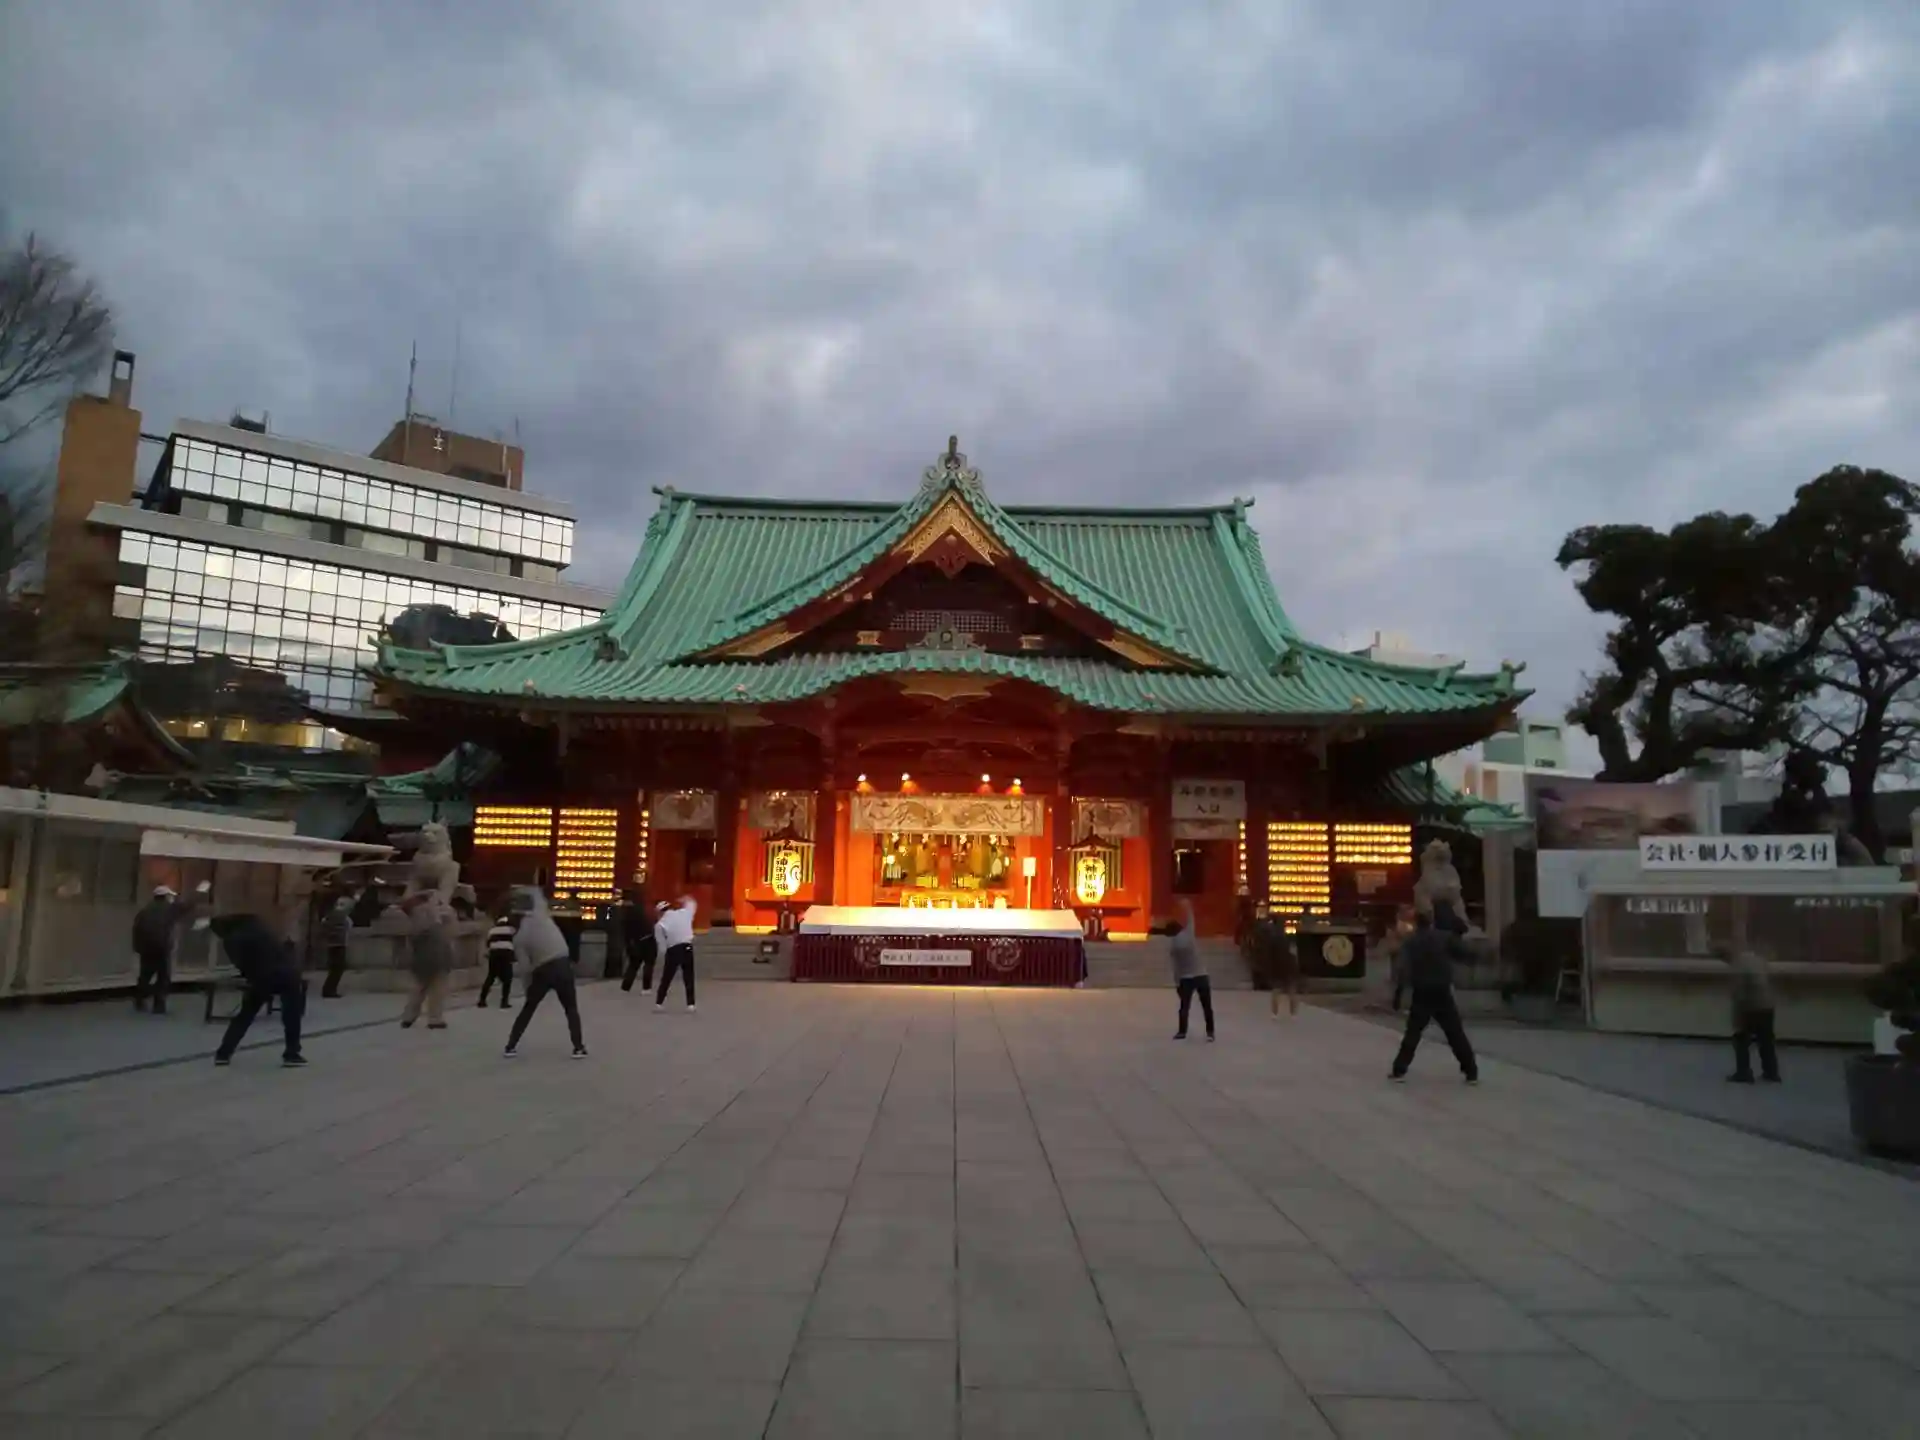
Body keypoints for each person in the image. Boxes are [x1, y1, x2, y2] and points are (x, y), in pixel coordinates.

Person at [1390, 911, 1478, 1084]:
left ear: (1416, 924)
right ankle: (1471, 1070)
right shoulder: (1444, 938)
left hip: (1422, 991)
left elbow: (1403, 969)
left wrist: (1398, 994)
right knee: (1455, 1032)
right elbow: (1464, 953)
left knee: (1413, 1032)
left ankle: (1399, 1069)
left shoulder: (1411, 942)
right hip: (1442, 990)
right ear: (1431, 923)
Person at [211, 913, 306, 1067]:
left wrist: (250, 977)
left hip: (261, 978)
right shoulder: (259, 927)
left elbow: (241, 964)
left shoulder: (231, 940)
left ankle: (224, 1053)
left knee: (245, 1015)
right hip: (287, 974)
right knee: (291, 1016)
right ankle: (292, 1053)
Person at [505, 887, 587, 1057]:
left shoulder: (519, 938)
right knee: (571, 1009)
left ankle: (511, 1046)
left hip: (542, 970)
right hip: (563, 963)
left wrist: (528, 989)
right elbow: (537, 894)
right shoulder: (542, 916)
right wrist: (519, 892)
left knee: (528, 1009)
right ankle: (578, 1047)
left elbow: (525, 968)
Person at [130, 881, 210, 1015]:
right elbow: (188, 905)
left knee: (145, 974)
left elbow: (136, 929)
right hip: (162, 947)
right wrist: (201, 891)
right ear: (166, 896)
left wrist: (138, 947)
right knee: (163, 976)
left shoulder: (144, 911)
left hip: (146, 948)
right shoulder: (169, 909)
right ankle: (159, 1004)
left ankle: (139, 1000)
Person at [1719, 942, 1780, 1084]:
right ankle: (1771, 1073)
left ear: (1726, 957)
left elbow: (1739, 994)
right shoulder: (1754, 958)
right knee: (1766, 1041)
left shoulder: (1737, 966)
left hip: (1752, 1006)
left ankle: (1743, 1073)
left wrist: (1737, 1019)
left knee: (1740, 1041)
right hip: (1768, 1005)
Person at [399, 892, 453, 1030]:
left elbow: (411, 945)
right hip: (438, 959)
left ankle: (408, 1017)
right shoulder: (434, 918)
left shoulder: (413, 923)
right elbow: (446, 936)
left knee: (418, 990)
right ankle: (435, 1019)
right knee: (436, 991)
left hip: (421, 960)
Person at [1169, 899, 1214, 1041]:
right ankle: (1210, 1032)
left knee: (1184, 1007)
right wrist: (1187, 907)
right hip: (1200, 974)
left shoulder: (1173, 946)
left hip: (1185, 978)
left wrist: (1177, 984)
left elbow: (1176, 968)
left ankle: (1182, 1031)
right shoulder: (1188, 934)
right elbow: (1191, 920)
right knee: (1206, 1006)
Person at [653, 894, 699, 1011]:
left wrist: (663, 956)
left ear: (659, 912)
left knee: (667, 977)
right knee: (688, 976)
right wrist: (684, 899)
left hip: (673, 950)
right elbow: (692, 903)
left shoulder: (660, 924)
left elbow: (661, 944)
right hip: (687, 947)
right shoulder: (684, 913)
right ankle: (691, 1004)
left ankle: (659, 1003)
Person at [618, 887, 658, 995]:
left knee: (633, 965)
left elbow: (626, 931)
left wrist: (628, 945)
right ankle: (646, 988)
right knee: (648, 964)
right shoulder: (642, 909)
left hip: (634, 942)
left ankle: (625, 987)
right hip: (648, 939)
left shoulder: (624, 912)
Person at [481, 907, 518, 1008]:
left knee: (491, 977)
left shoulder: (492, 930)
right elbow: (516, 942)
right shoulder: (511, 929)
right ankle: (504, 1001)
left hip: (494, 954)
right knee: (507, 979)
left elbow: (488, 944)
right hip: (506, 954)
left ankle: (482, 1000)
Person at [319, 895, 354, 998]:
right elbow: (348, 927)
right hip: (339, 944)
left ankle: (328, 989)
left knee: (334, 968)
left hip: (332, 944)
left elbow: (323, 924)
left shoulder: (330, 915)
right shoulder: (343, 916)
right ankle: (329, 990)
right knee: (337, 968)